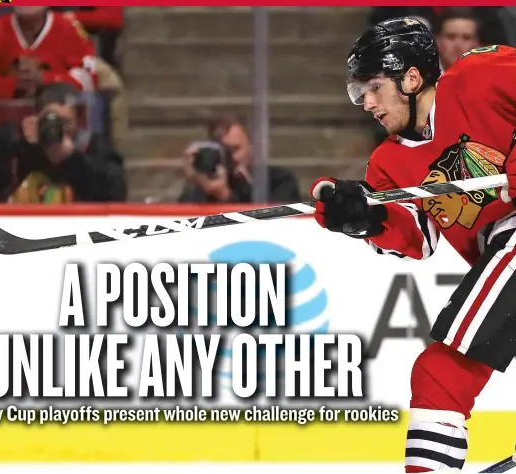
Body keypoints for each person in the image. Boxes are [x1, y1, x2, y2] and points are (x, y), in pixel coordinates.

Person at [310, 18, 516, 473]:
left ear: (411, 78)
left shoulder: (479, 76)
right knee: (436, 378)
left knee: (442, 376)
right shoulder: (389, 160)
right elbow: (417, 239)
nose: (365, 103)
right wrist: (361, 219)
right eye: (357, 91)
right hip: (502, 246)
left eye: (372, 87)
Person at [0, 6, 98, 99]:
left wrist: (45, 79)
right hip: (5, 117)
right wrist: (14, 85)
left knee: (90, 101)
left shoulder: (69, 29)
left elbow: (88, 80)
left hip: (58, 114)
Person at [179, 116, 301, 204]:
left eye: (235, 149)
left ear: (252, 147)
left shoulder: (280, 180)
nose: (230, 157)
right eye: (223, 151)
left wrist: (226, 196)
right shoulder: (205, 187)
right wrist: (195, 181)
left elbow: (273, 223)